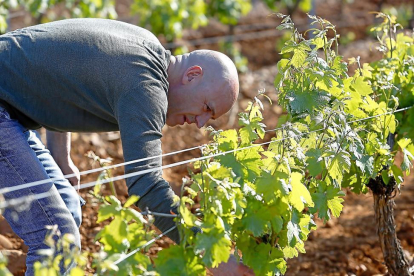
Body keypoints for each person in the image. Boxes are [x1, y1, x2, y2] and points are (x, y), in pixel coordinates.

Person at [0, 18, 252, 275]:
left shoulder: (147, 45)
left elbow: (57, 72)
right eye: (207, 108)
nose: (201, 123)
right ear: (192, 75)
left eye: (210, 118)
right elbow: (146, 185)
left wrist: (61, 157)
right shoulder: (147, 88)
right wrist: (213, 255)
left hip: (10, 107)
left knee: (67, 208)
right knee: (56, 240)